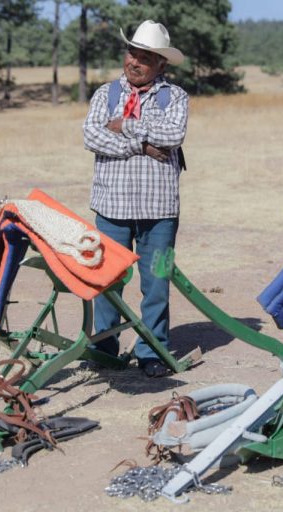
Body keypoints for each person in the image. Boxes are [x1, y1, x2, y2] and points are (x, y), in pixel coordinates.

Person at [83, 20, 188, 378]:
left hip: (160, 211)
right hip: (111, 207)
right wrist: (142, 144)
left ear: (161, 64)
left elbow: (173, 135)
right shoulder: (104, 94)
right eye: (132, 53)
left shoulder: (175, 97)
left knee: (157, 282)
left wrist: (125, 125)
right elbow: (92, 137)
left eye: (146, 57)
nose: (135, 62)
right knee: (105, 281)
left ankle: (152, 350)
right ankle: (104, 349)